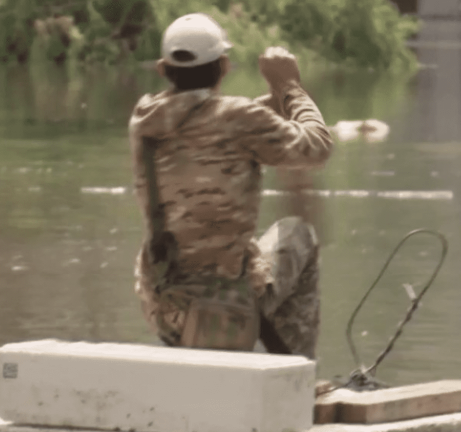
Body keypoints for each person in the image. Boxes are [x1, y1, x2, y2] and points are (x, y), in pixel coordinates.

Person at [128, 13, 334, 359]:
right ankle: (296, 372)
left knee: (246, 256)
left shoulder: (144, 120)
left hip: (163, 309)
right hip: (225, 306)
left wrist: (269, 104)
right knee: (299, 235)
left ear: (163, 69)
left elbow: (214, 122)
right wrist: (290, 88)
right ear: (224, 66)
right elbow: (317, 148)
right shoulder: (239, 121)